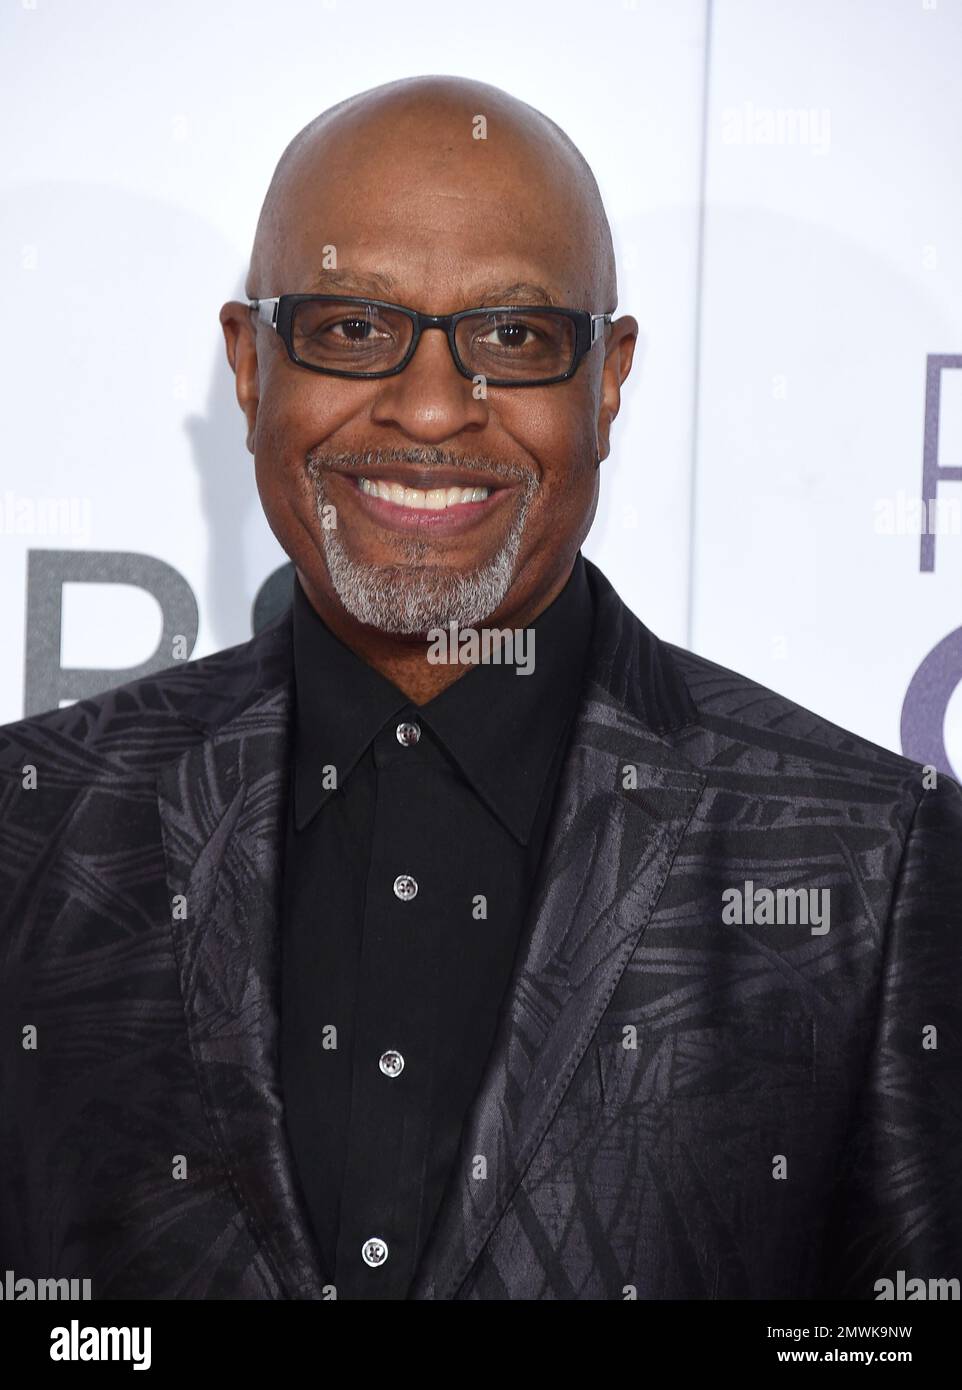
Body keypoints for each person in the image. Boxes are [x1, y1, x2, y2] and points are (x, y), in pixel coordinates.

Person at [0, 75, 959, 1302]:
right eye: (351, 327)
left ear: (605, 383)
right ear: (250, 365)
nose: (433, 407)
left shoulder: (867, 860)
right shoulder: (35, 823)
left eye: (512, 337)